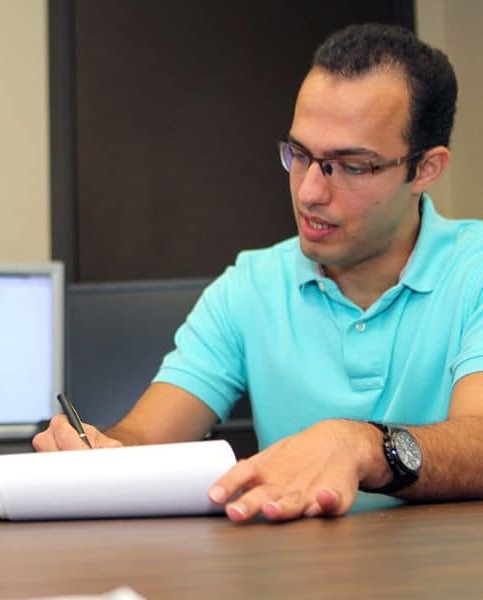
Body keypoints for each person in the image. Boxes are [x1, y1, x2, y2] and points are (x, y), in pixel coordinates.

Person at [34, 23, 483, 522]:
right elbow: (143, 437)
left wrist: (363, 446)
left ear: (426, 169)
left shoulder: (473, 270)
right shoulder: (250, 286)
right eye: (299, 155)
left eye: (351, 165)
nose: (309, 191)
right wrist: (98, 450)